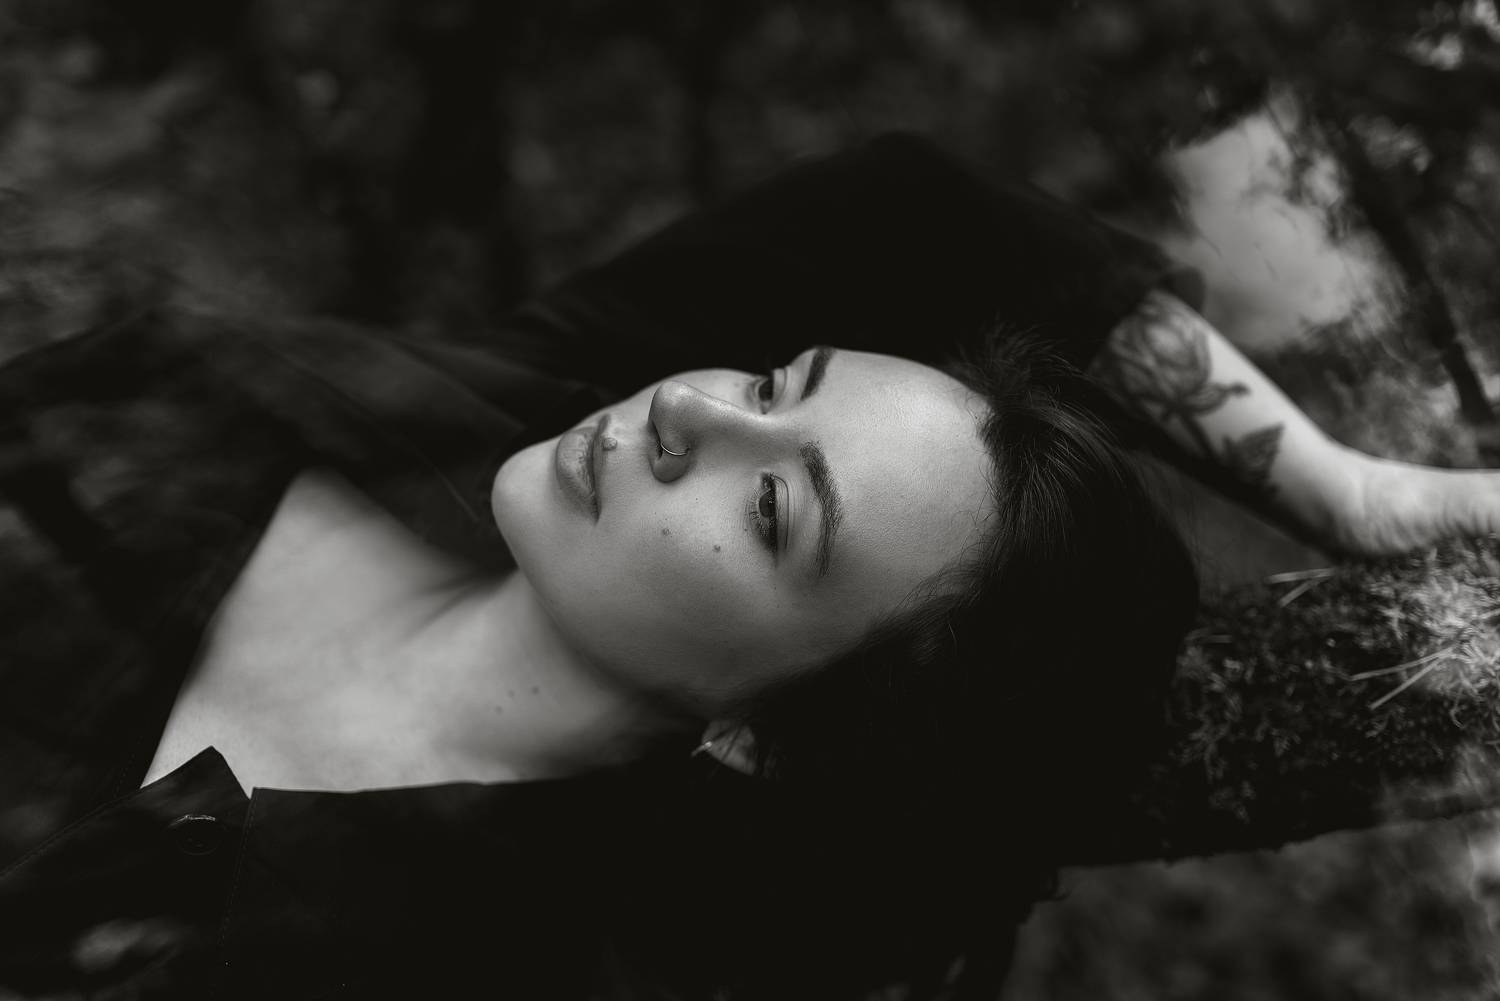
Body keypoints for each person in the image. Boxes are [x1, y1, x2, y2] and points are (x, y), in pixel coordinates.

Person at [0, 133, 1495, 1001]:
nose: (688, 415)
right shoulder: (471, 407)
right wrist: (1347, 488)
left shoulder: (483, 952)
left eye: (775, 511)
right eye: (777, 379)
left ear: (764, 729)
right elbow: (922, 208)